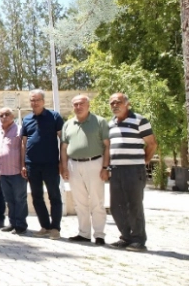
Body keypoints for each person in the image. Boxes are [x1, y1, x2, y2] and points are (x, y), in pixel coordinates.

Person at [107, 93, 157, 252]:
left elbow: (152, 144)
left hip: (134, 170)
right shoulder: (111, 124)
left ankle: (138, 240)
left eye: (118, 102)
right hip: (115, 170)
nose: (115, 105)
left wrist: (144, 161)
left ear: (127, 104)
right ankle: (126, 237)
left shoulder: (139, 120)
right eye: (112, 103)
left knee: (134, 205)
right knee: (116, 206)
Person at [60, 95, 110, 245]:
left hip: (94, 163)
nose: (78, 107)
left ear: (88, 105)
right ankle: (84, 233)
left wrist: (105, 167)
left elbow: (107, 146)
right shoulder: (68, 124)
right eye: (75, 104)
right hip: (73, 165)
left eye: (81, 104)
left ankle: (99, 234)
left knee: (97, 201)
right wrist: (64, 167)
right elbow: (63, 148)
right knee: (79, 202)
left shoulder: (99, 122)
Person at [21, 89, 64, 240]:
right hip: (32, 165)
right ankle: (45, 226)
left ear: (43, 101)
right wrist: (23, 164)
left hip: (51, 164)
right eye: (32, 100)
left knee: (54, 196)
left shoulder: (54, 116)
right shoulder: (26, 119)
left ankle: (55, 228)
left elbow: (62, 140)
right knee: (37, 197)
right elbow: (24, 144)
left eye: (37, 100)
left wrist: (62, 162)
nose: (35, 102)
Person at [0, 107, 28, 234]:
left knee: (19, 199)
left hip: (17, 172)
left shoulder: (19, 130)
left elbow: (25, 149)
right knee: (9, 199)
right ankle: (12, 223)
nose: (4, 117)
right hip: (3, 172)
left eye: (7, 114)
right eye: (1, 115)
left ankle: (21, 225)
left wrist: (24, 166)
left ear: (13, 116)